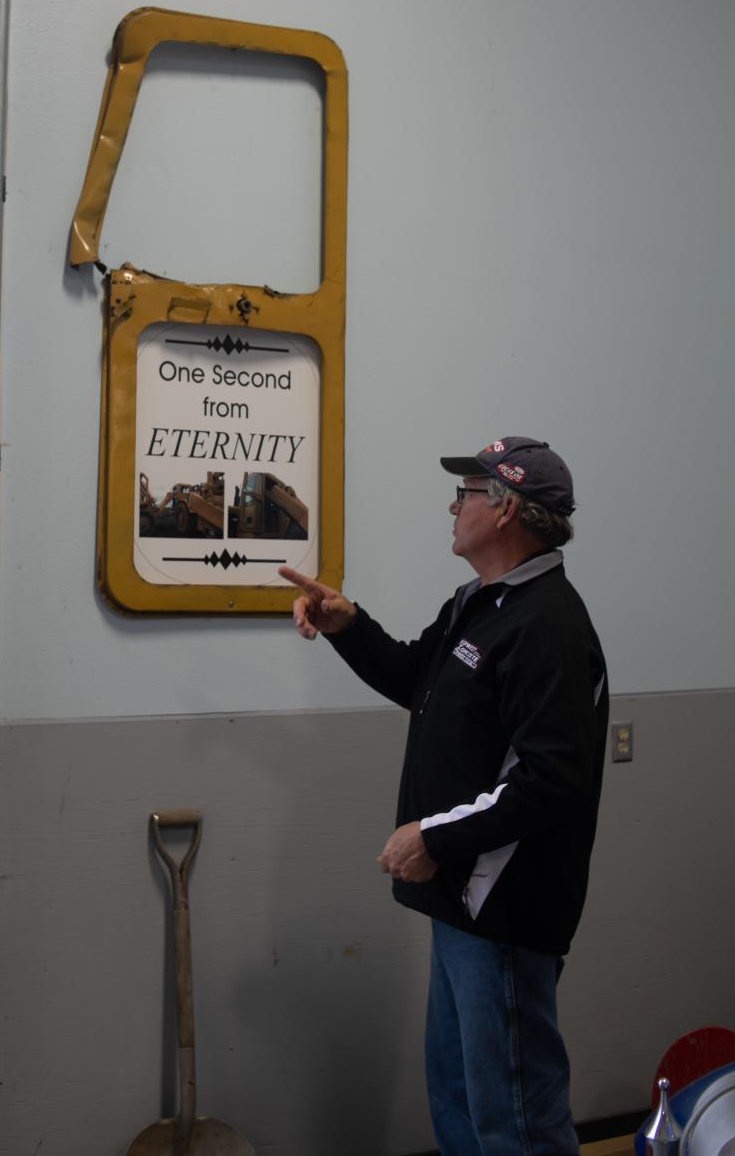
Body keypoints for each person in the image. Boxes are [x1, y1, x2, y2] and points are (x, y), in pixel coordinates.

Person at [280, 437, 608, 1156]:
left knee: (516, 1120)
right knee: (461, 1101)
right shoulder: (480, 603)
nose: (452, 505)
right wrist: (348, 625)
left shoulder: (546, 623)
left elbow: (551, 779)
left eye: (466, 491)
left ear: (506, 510)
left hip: (506, 910)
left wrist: (433, 838)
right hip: (462, 903)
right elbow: (416, 681)